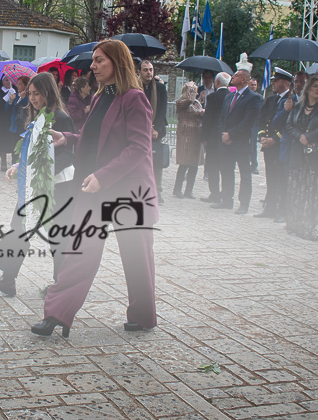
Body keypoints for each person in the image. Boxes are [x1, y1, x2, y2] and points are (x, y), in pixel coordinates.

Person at [32, 39, 158, 338]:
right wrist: (68, 138)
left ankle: (143, 315)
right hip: (93, 187)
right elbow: (95, 139)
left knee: (137, 257)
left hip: (129, 190)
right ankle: (56, 314)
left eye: (100, 60)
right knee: (79, 251)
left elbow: (139, 147)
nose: (93, 65)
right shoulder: (102, 96)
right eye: (94, 60)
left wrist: (105, 175)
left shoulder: (135, 98)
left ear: (118, 62)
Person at [0, 72, 75, 296]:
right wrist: (18, 166)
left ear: (48, 93)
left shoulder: (61, 118)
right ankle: (7, 280)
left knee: (58, 237)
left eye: (37, 94)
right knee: (19, 228)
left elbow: (69, 154)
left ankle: (60, 286)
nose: (32, 98)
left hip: (59, 187)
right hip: (33, 186)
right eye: (30, 94)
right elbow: (30, 151)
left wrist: (46, 172)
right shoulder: (36, 117)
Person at [284, 76, 318, 240]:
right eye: (315, 86)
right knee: (300, 190)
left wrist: (309, 137)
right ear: (307, 89)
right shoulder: (297, 107)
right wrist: (300, 137)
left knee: (317, 192)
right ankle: (299, 225)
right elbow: (289, 126)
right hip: (300, 154)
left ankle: (317, 227)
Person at [213, 66, 263, 214]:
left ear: (243, 79)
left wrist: (231, 135)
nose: (232, 77)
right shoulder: (229, 96)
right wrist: (223, 134)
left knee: (244, 174)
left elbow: (248, 122)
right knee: (226, 171)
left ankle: (244, 204)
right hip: (226, 141)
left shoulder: (253, 98)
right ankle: (226, 199)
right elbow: (222, 118)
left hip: (241, 142)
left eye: (235, 75)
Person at [255, 67, 294, 221]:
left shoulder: (292, 100)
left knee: (281, 179)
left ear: (285, 83)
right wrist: (262, 137)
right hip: (268, 145)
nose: (273, 83)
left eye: (276, 81)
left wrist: (274, 139)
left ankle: (282, 210)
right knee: (270, 177)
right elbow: (262, 119)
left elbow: (288, 124)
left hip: (280, 145)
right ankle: (270, 208)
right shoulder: (271, 99)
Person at [200, 72, 231, 204]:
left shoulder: (212, 97)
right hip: (226, 137)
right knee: (225, 168)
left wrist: (204, 137)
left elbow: (208, 118)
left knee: (212, 167)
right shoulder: (232, 96)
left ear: (216, 82)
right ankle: (226, 194)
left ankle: (214, 194)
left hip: (212, 137)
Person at [139, 60, 167, 204]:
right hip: (138, 130)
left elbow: (163, 109)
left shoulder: (160, 87)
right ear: (139, 72)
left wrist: (155, 129)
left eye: (150, 69)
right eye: (145, 70)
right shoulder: (134, 87)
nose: (149, 72)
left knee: (156, 162)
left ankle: (158, 192)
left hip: (156, 130)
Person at [173, 81, 204, 199]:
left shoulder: (197, 103)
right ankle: (177, 189)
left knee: (194, 165)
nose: (194, 93)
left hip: (197, 134)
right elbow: (188, 101)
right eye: (192, 90)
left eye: (195, 90)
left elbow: (200, 112)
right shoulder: (181, 102)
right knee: (184, 163)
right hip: (186, 134)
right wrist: (190, 88)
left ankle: (189, 190)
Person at [248, 76, 262, 174]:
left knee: (253, 145)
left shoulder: (259, 97)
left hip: (254, 124)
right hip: (245, 123)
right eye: (252, 85)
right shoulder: (245, 96)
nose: (253, 87)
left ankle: (254, 165)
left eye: (255, 85)